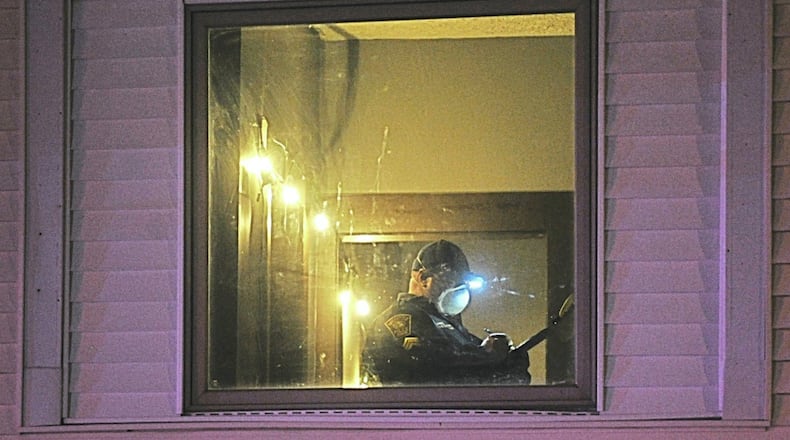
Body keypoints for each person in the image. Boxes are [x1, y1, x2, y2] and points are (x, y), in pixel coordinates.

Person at [361, 239, 530, 386]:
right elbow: (436, 367)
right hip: (415, 418)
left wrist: (508, 361)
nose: (458, 287)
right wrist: (488, 357)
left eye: (463, 281)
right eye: (451, 278)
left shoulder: (449, 326)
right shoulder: (401, 319)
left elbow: (477, 371)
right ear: (423, 278)